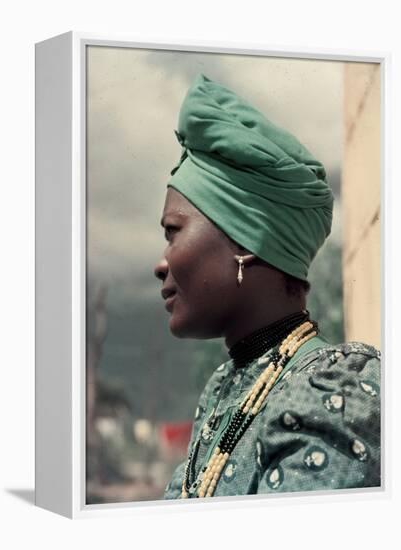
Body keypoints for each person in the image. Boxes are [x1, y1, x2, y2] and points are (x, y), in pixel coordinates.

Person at [153, 74, 380, 499]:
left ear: (247, 241)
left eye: (172, 231)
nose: (160, 263)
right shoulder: (228, 386)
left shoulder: (333, 397)